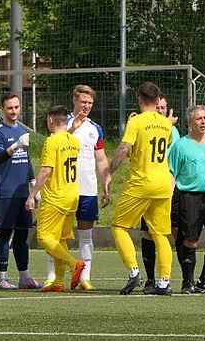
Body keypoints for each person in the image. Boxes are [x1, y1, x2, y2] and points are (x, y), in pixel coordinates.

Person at [106, 82, 175, 295]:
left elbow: (124, 148)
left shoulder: (136, 121)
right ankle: (164, 283)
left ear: (140, 100)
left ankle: (134, 272)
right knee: (161, 234)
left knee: (119, 226)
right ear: (158, 100)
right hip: (163, 184)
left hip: (142, 182)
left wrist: (109, 172)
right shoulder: (166, 125)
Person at [45, 85, 108, 290]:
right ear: (75, 101)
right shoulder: (63, 123)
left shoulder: (95, 128)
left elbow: (100, 159)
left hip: (88, 189)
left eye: (90, 103)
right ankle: (52, 276)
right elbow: (57, 144)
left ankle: (84, 278)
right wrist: (73, 127)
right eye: (83, 102)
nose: (86, 106)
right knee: (55, 236)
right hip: (63, 191)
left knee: (86, 235)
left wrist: (106, 181)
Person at [168, 105, 205, 294]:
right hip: (188, 197)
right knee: (190, 241)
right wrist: (169, 195)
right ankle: (188, 282)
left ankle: (204, 278)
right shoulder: (180, 146)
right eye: (199, 119)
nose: (203, 122)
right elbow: (171, 172)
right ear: (190, 122)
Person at [25, 105, 86, 292]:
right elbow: (64, 143)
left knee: (44, 237)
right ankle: (58, 282)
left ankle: (73, 264)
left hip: (55, 198)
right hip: (72, 196)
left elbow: (46, 170)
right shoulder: (74, 140)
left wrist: (32, 194)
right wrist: (72, 128)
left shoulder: (51, 142)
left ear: (50, 120)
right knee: (60, 239)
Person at [0, 92, 35, 289]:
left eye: (16, 107)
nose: (14, 111)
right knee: (5, 233)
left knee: (22, 235)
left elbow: (27, 159)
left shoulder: (22, 130)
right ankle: (3, 278)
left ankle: (25, 277)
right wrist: (15, 146)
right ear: (2, 109)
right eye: (10, 108)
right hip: (5, 191)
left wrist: (33, 184)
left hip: (22, 192)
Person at [138, 93, 182, 293]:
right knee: (148, 233)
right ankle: (150, 280)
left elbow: (176, 160)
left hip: (169, 187)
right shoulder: (143, 126)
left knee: (171, 231)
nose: (161, 111)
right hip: (149, 186)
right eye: (158, 107)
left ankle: (178, 279)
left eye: (163, 108)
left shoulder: (173, 131)